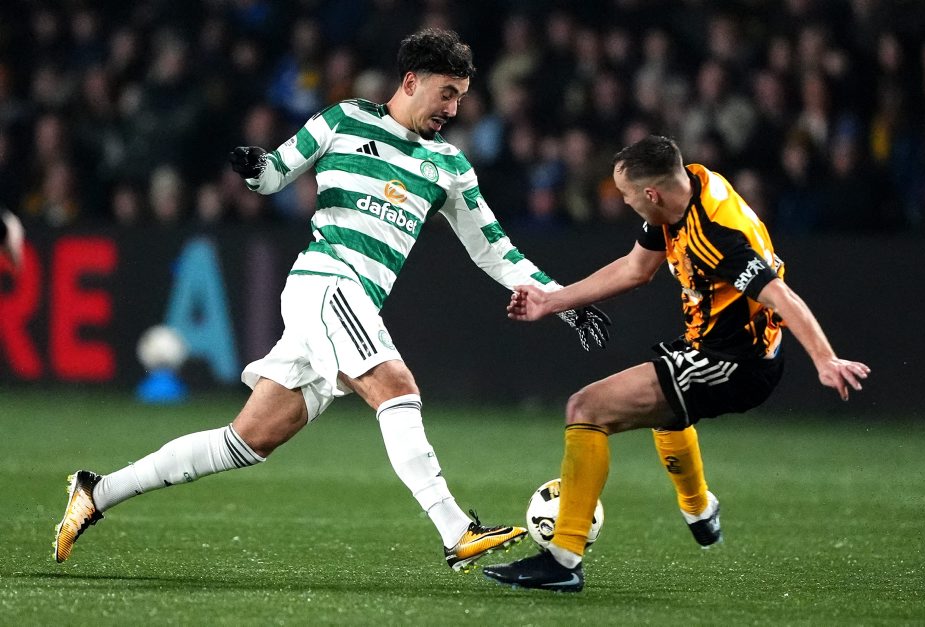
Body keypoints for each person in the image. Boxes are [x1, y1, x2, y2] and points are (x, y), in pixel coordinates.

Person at [53, 29, 610, 572]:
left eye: (460, 97)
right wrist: (256, 168)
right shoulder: (343, 120)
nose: (453, 109)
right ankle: (455, 530)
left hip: (352, 301)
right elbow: (276, 173)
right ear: (411, 82)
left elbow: (495, 250)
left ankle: (98, 491)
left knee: (246, 441)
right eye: (446, 93)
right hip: (325, 282)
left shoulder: (450, 166)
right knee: (397, 387)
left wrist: (565, 299)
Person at [482, 135, 870, 592]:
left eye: (627, 195)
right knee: (663, 407)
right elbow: (635, 269)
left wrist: (825, 359)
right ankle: (699, 509)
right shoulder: (688, 189)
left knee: (586, 408)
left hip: (736, 362)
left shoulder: (716, 235)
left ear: (651, 194)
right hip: (711, 345)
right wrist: (552, 301)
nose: (625, 203)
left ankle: (563, 559)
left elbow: (780, 295)